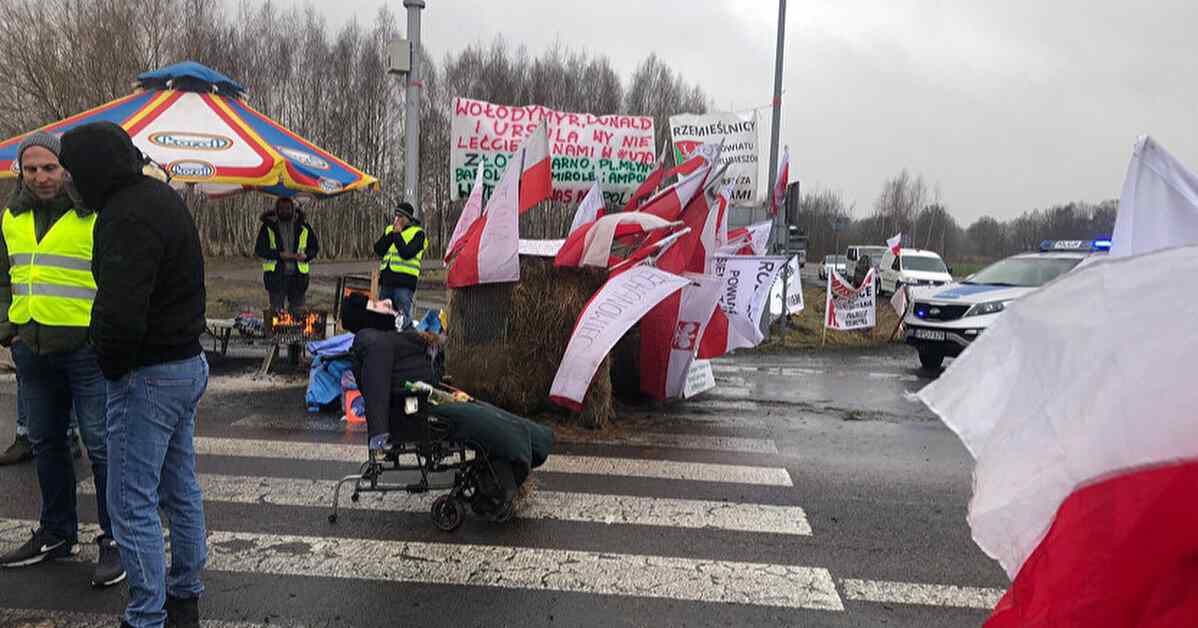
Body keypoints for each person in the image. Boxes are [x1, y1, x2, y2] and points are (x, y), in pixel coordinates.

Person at [60, 121, 208, 628]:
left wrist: (111, 368)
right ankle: (185, 595)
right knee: (180, 487)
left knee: (130, 503)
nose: (67, 182)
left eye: (72, 172)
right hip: (186, 362)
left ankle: (148, 614)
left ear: (95, 170)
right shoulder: (161, 199)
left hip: (149, 373)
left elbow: (121, 314)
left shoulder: (124, 217)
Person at [0, 132, 124, 588]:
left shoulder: (91, 214)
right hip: (31, 350)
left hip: (85, 351)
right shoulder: (10, 216)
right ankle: (56, 531)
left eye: (49, 168)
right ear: (21, 172)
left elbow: (115, 279)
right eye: (31, 169)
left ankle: (116, 539)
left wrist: (102, 335)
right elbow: (3, 277)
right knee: (46, 444)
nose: (40, 177)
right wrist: (7, 330)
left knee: (101, 447)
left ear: (65, 169)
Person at [254, 196, 318, 312]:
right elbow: (260, 250)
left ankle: (297, 330)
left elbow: (314, 247)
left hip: (298, 278)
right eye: (281, 208)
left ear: (293, 209)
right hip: (276, 277)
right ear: (276, 210)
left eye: (287, 208)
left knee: (298, 313)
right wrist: (279, 255)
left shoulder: (304, 226)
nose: (284, 211)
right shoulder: (268, 227)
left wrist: (307, 256)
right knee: (275, 313)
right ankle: (275, 330)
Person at [373, 201, 426, 325]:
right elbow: (378, 249)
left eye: (400, 216)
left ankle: (402, 342)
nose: (396, 219)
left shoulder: (418, 233)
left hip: (404, 285)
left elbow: (407, 253)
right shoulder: (390, 230)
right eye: (395, 215)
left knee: (401, 321)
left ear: (408, 218)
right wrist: (392, 234)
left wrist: (397, 235)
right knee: (382, 319)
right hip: (387, 283)